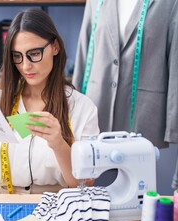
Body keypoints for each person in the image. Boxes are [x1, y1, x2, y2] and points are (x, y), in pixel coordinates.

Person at [0, 8, 100, 194]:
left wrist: (59, 144)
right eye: (17, 56)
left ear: (55, 47)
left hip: (56, 207)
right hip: (1, 205)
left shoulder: (83, 108)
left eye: (34, 53)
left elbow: (84, 185)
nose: (26, 66)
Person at [73, 0, 178, 149]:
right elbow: (84, 50)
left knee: (140, 170)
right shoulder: (96, 1)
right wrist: (72, 108)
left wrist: (173, 125)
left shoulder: (169, 3)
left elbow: (175, 63)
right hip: (97, 104)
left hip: (144, 112)